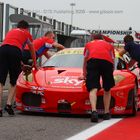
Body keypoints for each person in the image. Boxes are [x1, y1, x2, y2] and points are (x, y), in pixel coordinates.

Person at [0, 20, 37, 117]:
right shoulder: (27, 33)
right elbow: (31, 48)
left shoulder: (11, 31)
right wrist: (35, 62)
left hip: (2, 49)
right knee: (14, 81)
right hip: (15, 51)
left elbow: (8, 46)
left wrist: (20, 62)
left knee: (1, 81)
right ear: (27, 28)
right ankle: (8, 104)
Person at [79, 34, 115, 122]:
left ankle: (94, 111)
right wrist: (111, 73)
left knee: (93, 88)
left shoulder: (88, 44)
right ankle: (106, 113)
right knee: (107, 88)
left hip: (93, 61)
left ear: (93, 39)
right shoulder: (109, 45)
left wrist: (84, 74)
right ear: (102, 38)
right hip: (107, 63)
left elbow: (85, 61)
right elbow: (113, 61)